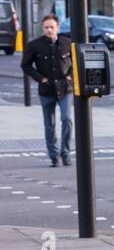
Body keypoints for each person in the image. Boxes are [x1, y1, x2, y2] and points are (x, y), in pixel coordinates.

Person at [22, 14, 73, 167]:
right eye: (46, 27)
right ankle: (53, 156)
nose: (49, 30)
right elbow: (26, 65)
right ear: (42, 28)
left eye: (52, 27)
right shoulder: (34, 45)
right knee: (49, 124)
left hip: (65, 89)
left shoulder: (67, 42)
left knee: (67, 119)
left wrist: (70, 76)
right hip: (46, 90)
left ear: (57, 27)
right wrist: (40, 78)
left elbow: (76, 63)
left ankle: (65, 153)